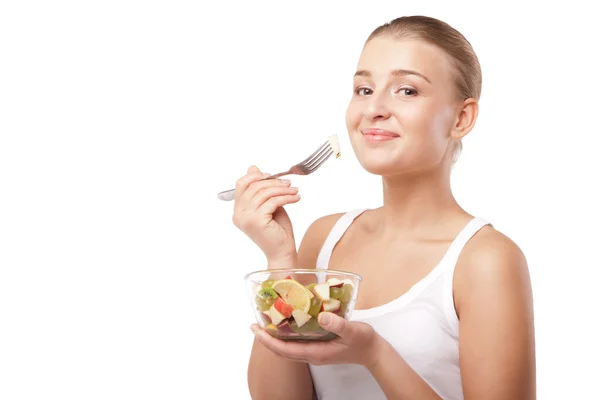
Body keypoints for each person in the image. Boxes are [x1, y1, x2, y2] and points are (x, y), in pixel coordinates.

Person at [232, 15, 536, 400]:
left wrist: (375, 355)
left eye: (406, 91)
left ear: (462, 118)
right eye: (363, 89)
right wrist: (280, 262)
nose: (373, 107)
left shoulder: (486, 260)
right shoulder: (324, 239)